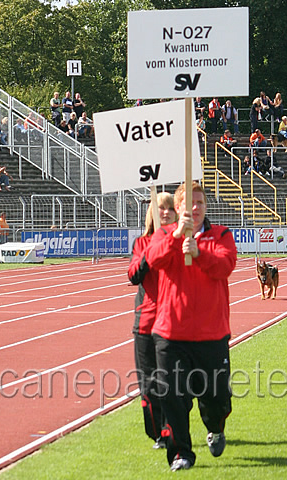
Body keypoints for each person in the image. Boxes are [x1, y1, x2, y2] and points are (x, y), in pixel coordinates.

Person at [144, 181, 237, 471]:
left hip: (212, 334)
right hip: (171, 333)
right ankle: (181, 453)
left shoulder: (220, 235)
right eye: (188, 203)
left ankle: (215, 426)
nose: (194, 208)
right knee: (172, 397)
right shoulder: (163, 235)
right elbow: (153, 260)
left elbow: (225, 266)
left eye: (200, 203)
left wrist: (199, 253)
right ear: (178, 208)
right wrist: (176, 238)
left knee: (216, 397)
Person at [127, 192, 177, 450]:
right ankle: (158, 432)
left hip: (175, 323)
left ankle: (173, 429)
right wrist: (152, 251)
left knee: (172, 383)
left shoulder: (183, 243)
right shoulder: (141, 243)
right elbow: (133, 275)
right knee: (149, 385)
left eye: (170, 207)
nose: (165, 212)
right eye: (160, 208)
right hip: (146, 322)